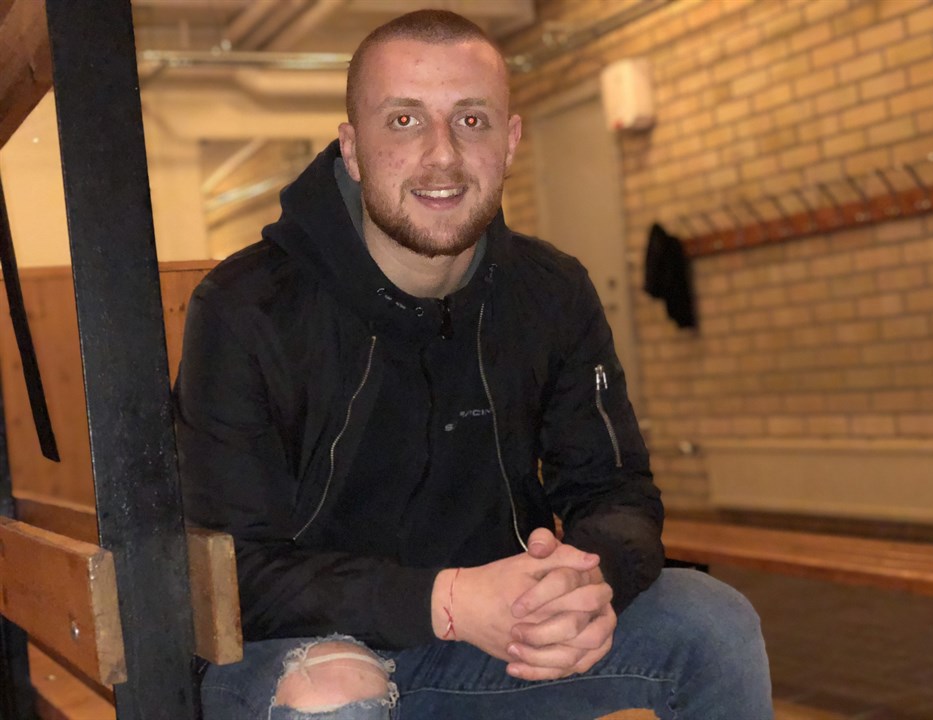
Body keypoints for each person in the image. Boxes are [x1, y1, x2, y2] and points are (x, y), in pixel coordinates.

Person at [175, 9, 772, 719]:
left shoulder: (551, 292)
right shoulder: (246, 306)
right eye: (404, 121)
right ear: (353, 149)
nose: (442, 155)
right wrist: (448, 600)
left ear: (509, 141)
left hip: (494, 635)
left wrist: (587, 580)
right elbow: (231, 571)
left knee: (713, 624)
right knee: (335, 692)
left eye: (471, 120)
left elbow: (616, 490)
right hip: (301, 645)